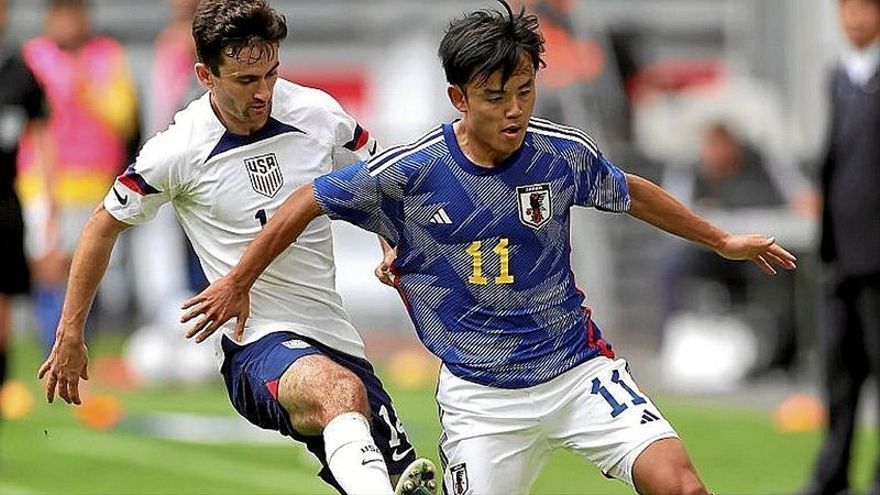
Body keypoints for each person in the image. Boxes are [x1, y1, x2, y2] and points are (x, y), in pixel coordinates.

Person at [178, 2, 797, 494]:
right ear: (459, 98)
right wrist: (239, 282)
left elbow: (629, 191)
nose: (515, 110)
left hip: (578, 373)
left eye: (524, 91)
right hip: (481, 402)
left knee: (681, 486)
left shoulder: (560, 154)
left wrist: (721, 239)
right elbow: (306, 199)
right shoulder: (409, 172)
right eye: (496, 97)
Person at [36, 1, 436, 494]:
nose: (264, 91)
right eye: (246, 80)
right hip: (254, 343)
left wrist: (388, 241)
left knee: (403, 477)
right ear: (206, 74)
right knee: (339, 392)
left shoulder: (317, 112)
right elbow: (101, 225)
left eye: (271, 73)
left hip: (335, 336)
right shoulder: (178, 149)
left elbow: (381, 176)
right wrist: (71, 333)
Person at [17, 0, 140, 352]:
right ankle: (49, 347)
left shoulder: (106, 56)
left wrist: (88, 86)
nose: (67, 21)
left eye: (73, 12)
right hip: (40, 180)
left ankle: (85, 345)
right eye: (60, 13)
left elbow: (124, 118)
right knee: (49, 265)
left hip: (93, 179)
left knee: (88, 266)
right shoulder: (33, 56)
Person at [801, 0, 880, 494]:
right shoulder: (840, 77)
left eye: (864, 9)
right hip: (841, 254)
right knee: (840, 375)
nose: (853, 19)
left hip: (879, 257)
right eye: (846, 9)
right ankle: (833, 474)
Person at [0, 0, 49, 439]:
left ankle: (3, 382)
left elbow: (42, 140)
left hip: (5, 200)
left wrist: (45, 205)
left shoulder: (19, 72)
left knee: (5, 297)